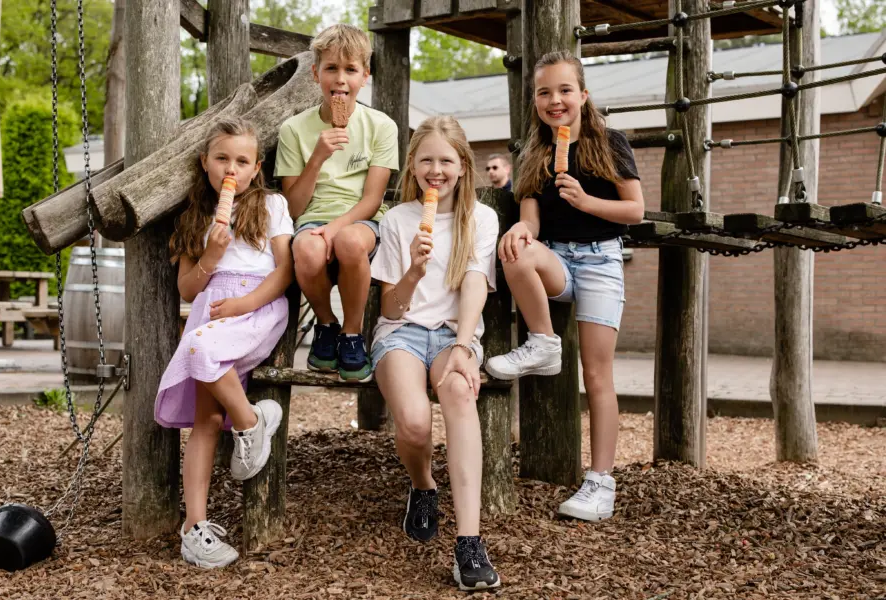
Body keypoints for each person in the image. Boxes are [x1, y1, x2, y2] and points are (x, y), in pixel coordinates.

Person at [484, 51, 645, 522]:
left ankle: (599, 485)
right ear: (534, 100)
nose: (555, 100)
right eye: (544, 92)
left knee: (597, 376)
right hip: (556, 258)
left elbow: (634, 211)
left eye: (564, 90)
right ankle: (543, 341)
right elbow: (531, 216)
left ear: (583, 95)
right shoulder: (532, 152)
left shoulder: (607, 142)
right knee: (514, 250)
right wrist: (522, 230)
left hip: (600, 262)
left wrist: (586, 200)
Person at [155, 117, 294, 568]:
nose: (230, 168)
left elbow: (284, 272)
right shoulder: (194, 217)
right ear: (205, 162)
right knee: (206, 421)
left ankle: (250, 424)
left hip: (256, 309)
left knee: (196, 350)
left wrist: (244, 302)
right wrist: (211, 257)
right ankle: (195, 528)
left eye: (242, 160)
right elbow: (188, 290)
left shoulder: (272, 205)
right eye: (221, 158)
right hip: (209, 316)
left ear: (256, 168)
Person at [370, 116, 501, 591]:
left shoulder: (481, 219)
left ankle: (469, 542)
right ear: (413, 165)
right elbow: (389, 305)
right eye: (426, 159)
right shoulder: (398, 219)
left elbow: (473, 284)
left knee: (461, 394)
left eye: (446, 160)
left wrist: (465, 348)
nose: (436, 169)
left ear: (463, 166)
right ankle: (423, 485)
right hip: (401, 332)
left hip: (452, 334)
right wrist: (412, 270)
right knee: (415, 423)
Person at [275, 23, 398, 382]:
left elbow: (373, 199)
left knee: (347, 241)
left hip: (362, 221)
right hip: (311, 220)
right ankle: (327, 324)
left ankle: (352, 332)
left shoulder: (381, 126)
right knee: (308, 249)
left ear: (365, 76)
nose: (340, 79)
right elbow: (294, 208)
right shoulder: (294, 130)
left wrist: (334, 229)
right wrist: (317, 158)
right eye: (331, 68)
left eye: (350, 70)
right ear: (316, 74)